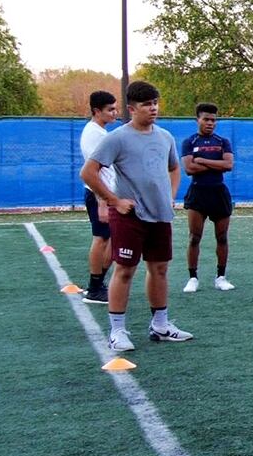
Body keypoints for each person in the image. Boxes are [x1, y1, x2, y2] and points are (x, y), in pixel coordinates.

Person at [80, 81, 192, 352]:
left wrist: (171, 196)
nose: (152, 108)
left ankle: (161, 325)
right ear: (131, 109)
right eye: (146, 104)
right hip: (130, 216)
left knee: (160, 268)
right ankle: (117, 331)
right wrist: (114, 201)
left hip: (160, 215)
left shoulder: (165, 137)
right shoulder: (117, 137)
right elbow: (88, 173)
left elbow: (174, 169)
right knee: (125, 271)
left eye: (155, 103)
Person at [180, 102, 236, 293]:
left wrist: (203, 160)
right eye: (206, 119)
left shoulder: (223, 141)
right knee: (194, 237)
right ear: (198, 120)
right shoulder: (189, 142)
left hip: (218, 192)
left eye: (213, 120)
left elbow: (228, 165)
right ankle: (193, 278)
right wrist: (217, 163)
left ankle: (221, 277)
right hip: (198, 192)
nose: (210, 123)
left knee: (222, 237)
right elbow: (189, 168)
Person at [79, 91, 118, 305]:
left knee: (111, 240)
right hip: (100, 194)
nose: (115, 113)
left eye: (115, 108)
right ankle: (95, 288)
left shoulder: (99, 132)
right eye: (110, 109)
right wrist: (102, 200)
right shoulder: (95, 134)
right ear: (97, 111)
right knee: (101, 239)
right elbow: (94, 171)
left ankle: (97, 284)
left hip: (106, 194)